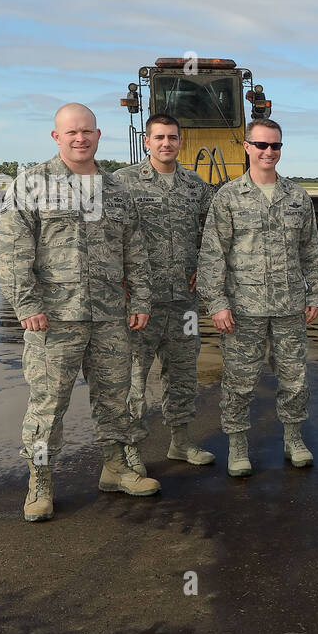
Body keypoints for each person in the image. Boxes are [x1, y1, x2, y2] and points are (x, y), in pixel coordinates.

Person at [0, 102, 160, 521]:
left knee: (114, 399)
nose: (80, 138)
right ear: (56, 137)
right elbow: (13, 253)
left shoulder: (119, 191)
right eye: (71, 133)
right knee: (48, 405)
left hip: (109, 317)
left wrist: (140, 299)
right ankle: (40, 480)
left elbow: (135, 251)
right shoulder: (30, 185)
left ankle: (116, 467)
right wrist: (26, 304)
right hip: (54, 318)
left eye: (87, 131)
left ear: (99, 135)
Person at [196, 119, 318, 476]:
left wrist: (316, 291)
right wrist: (217, 302)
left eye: (275, 146)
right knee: (239, 380)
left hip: (289, 307)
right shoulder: (228, 196)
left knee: (295, 377)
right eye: (262, 145)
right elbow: (213, 254)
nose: (269, 152)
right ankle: (238, 447)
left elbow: (311, 251)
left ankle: (294, 439)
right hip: (243, 309)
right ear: (247, 146)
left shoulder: (297, 197)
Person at [115, 113, 216, 474]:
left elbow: (216, 232)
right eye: (159, 137)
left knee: (184, 373)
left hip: (184, 305)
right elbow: (108, 237)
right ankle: (130, 450)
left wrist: (203, 269)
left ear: (180, 141)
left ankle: (181, 441)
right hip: (140, 303)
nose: (166, 144)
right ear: (147, 141)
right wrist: (121, 279)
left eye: (172, 137)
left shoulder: (195, 185)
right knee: (133, 380)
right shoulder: (122, 183)